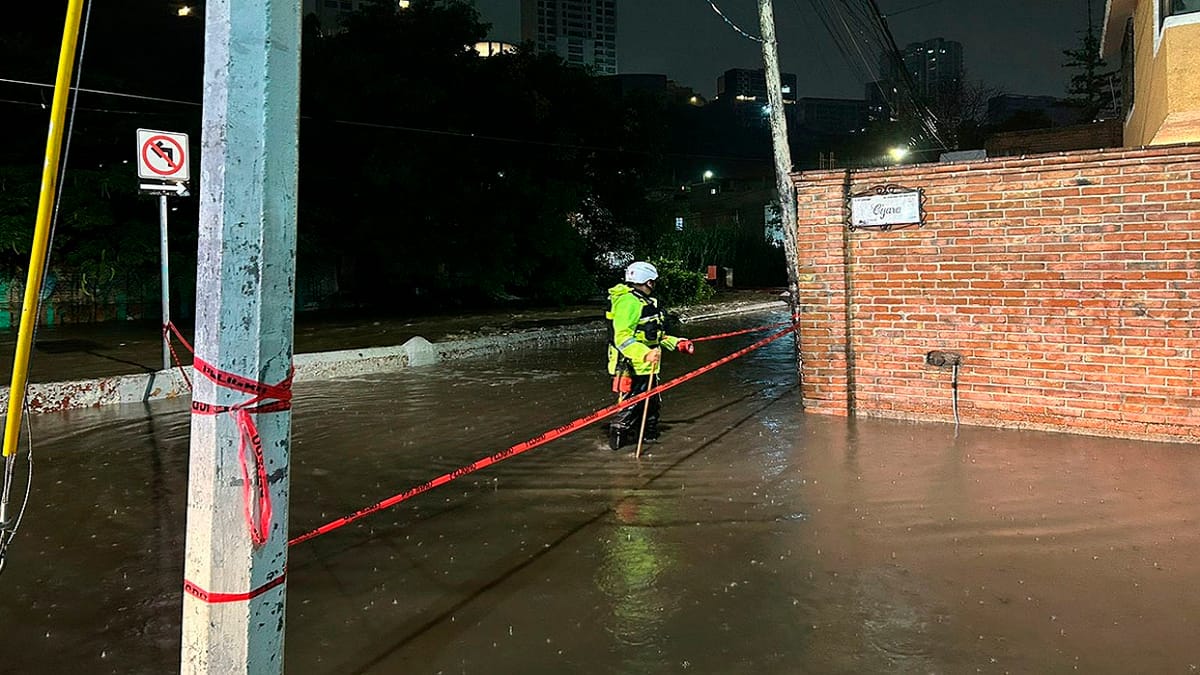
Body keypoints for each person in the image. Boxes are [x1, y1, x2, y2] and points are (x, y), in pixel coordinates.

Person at [606, 261, 694, 451]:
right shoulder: (627, 303)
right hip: (630, 365)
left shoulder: (646, 302)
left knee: (651, 406)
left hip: (649, 366)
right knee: (629, 409)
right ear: (647, 281)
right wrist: (644, 354)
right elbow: (622, 338)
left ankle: (649, 439)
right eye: (652, 281)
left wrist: (677, 343)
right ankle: (617, 449)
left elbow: (655, 335)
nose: (653, 285)